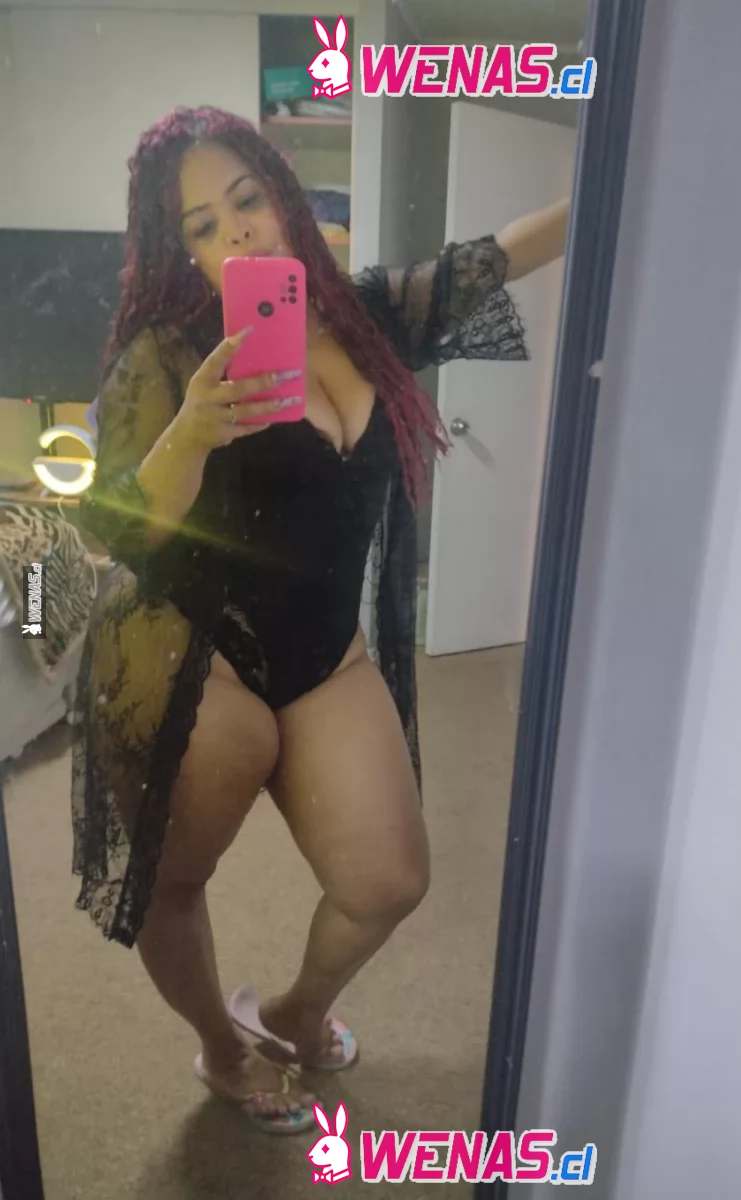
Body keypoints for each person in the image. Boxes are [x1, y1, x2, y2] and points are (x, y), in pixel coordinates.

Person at [71, 105, 569, 1134]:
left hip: (325, 656)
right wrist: (191, 431)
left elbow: (497, 256)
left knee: (388, 880)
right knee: (175, 881)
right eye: (203, 226)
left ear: (283, 196)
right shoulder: (168, 356)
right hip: (191, 647)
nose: (238, 233)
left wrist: (615, 182)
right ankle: (220, 1049)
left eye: (246, 200)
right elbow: (116, 527)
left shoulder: (369, 316)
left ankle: (295, 1010)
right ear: (180, 250)